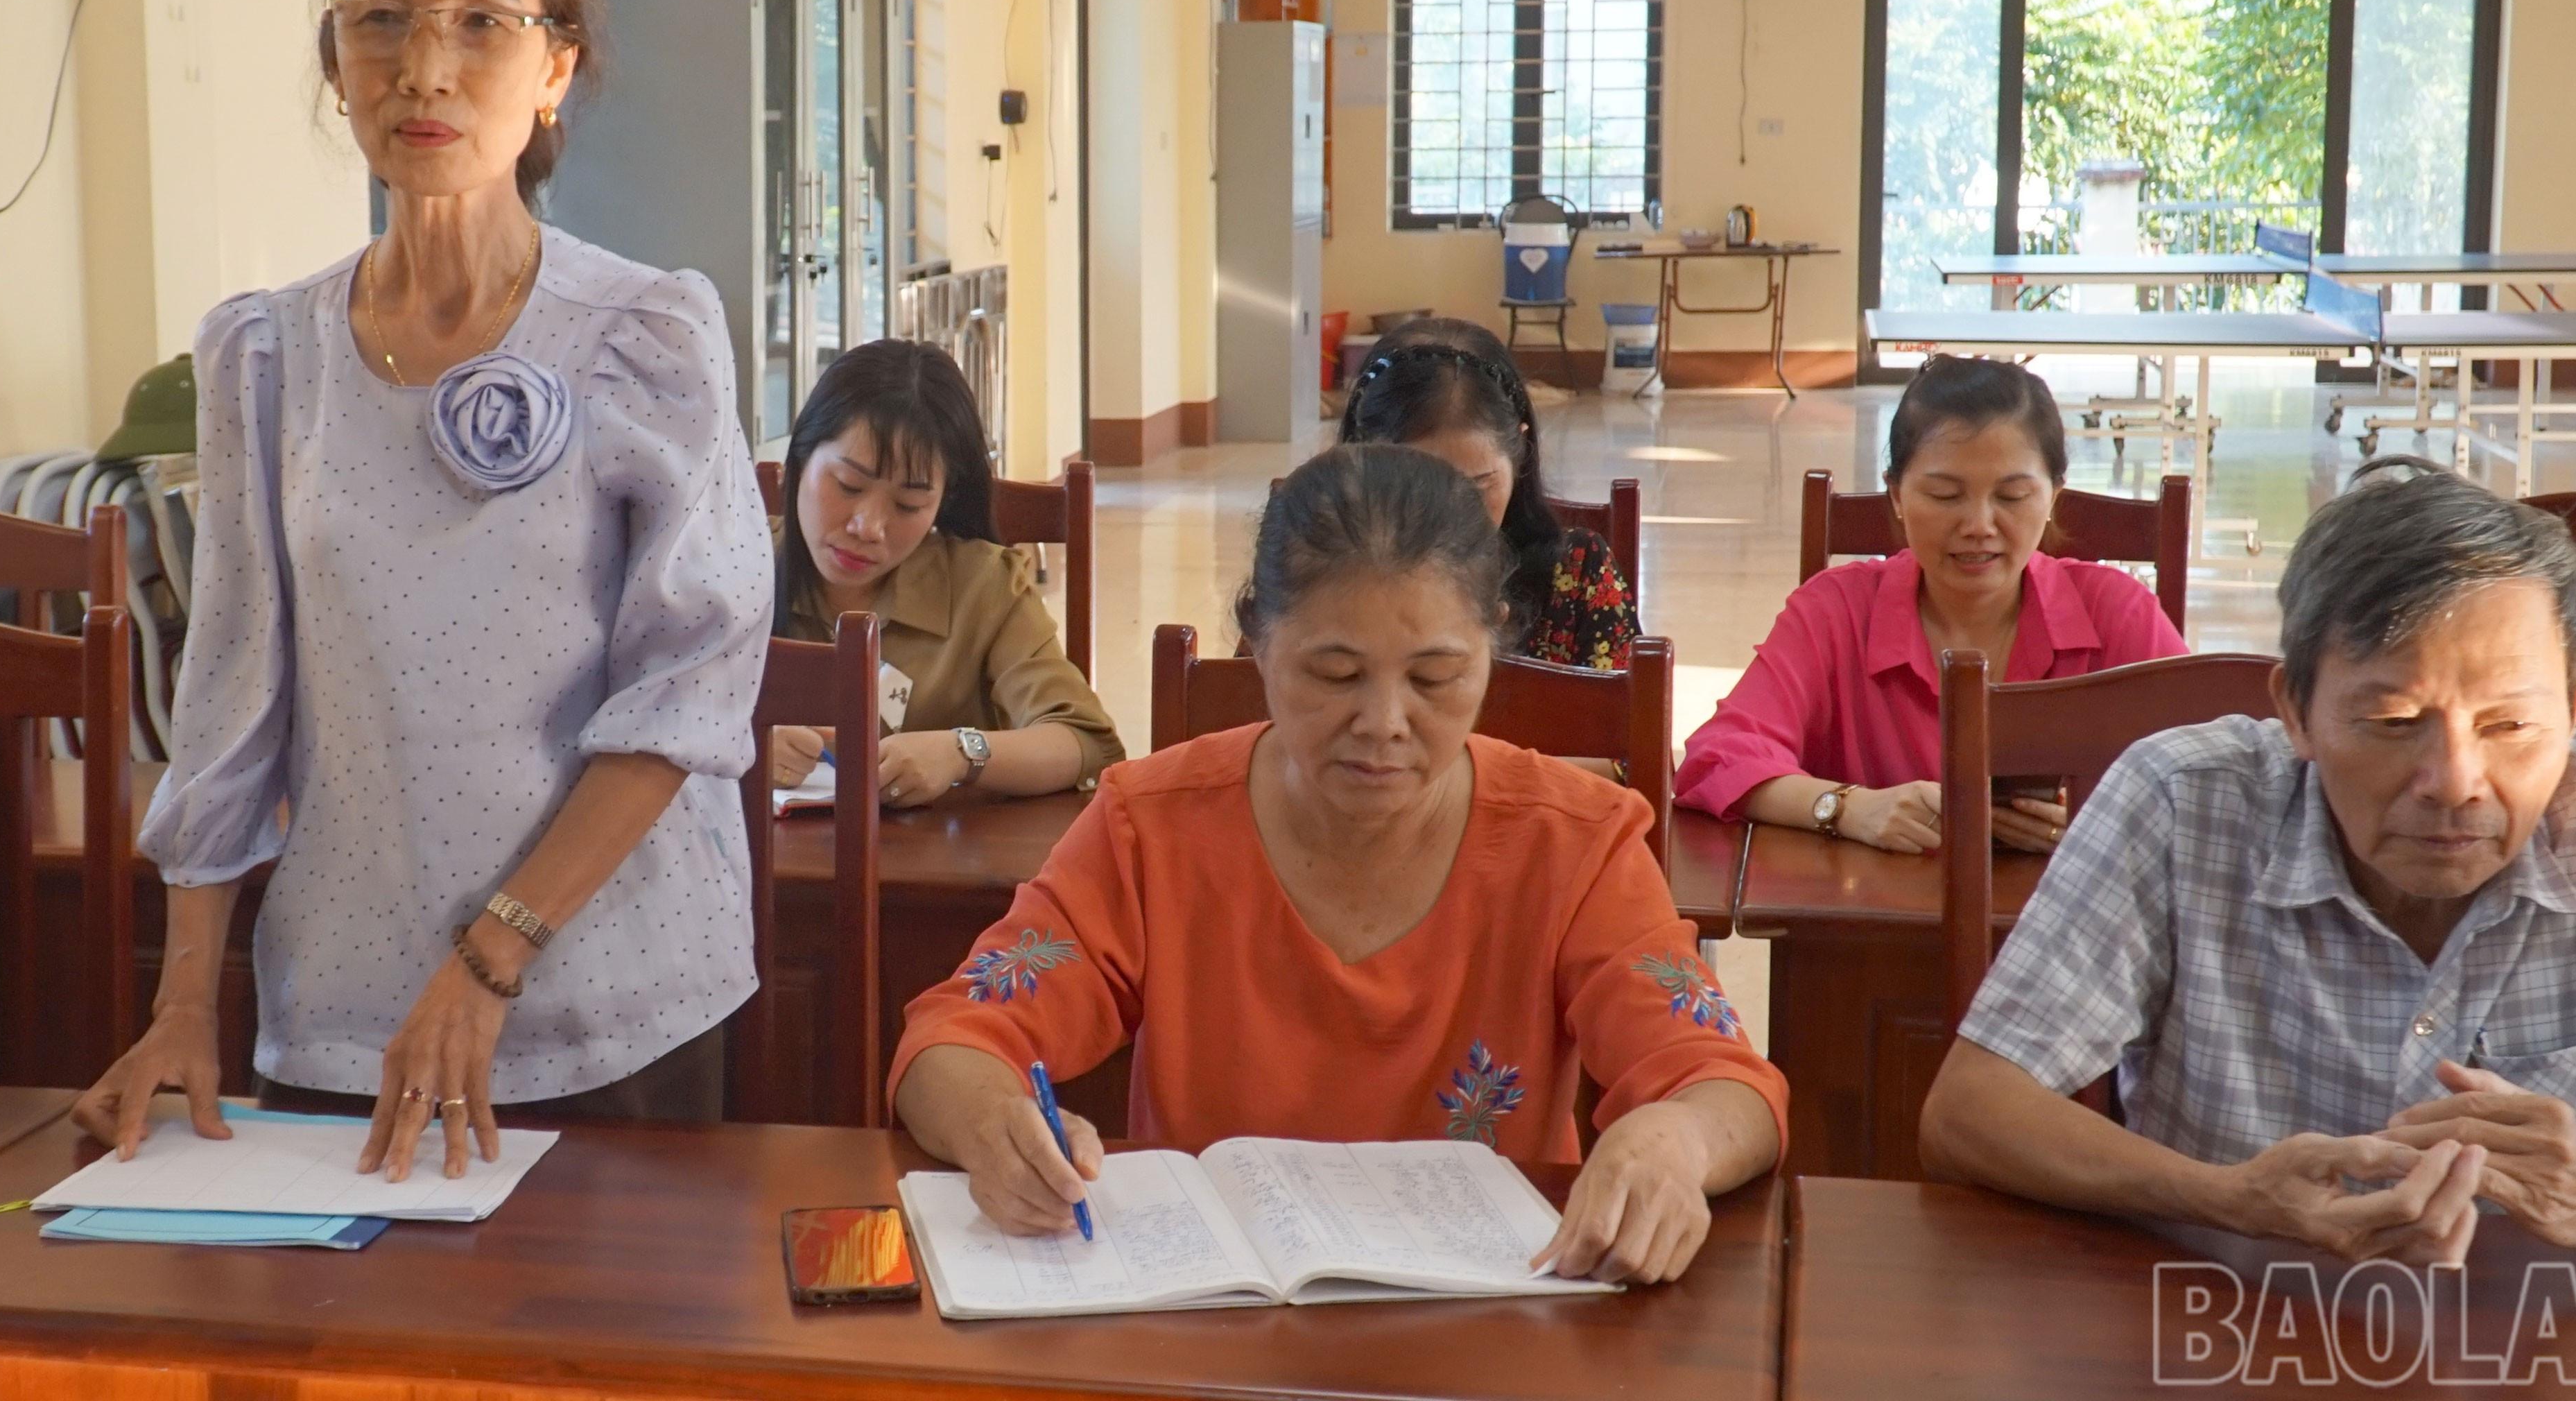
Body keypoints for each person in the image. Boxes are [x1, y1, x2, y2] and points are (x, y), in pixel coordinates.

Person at [76, 0, 770, 1183]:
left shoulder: (645, 331)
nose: (423, 67)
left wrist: (493, 955)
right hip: (351, 1004)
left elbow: (689, 687)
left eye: (479, 20)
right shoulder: (266, 355)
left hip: (609, 994)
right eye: (378, 17)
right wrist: (180, 1009)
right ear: (336, 60)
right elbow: (228, 697)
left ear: (555, 67)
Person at [1924, 458, 2576, 1263]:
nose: (2455, 780)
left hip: (2544, 1355)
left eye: (2511, 725)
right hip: (2223, 1336)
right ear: (2294, 710)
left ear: (2573, 709)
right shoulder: (2182, 800)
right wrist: (2230, 1199)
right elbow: (1971, 1112)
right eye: (2394, 722)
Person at [889, 442, 1784, 1284]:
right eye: (1334, 673)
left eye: (1435, 679)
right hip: (1216, 1326)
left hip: (1486, 1328)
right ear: (1260, 644)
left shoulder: (1573, 844)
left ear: (1493, 648)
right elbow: (952, 1039)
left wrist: (1677, 1140)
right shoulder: (1149, 828)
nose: (1385, 723)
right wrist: (993, 1128)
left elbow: (1726, 1082)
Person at [1676, 355, 2183, 853]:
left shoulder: (2117, 612)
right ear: (1895, 494)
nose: (1979, 525)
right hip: (1871, 923)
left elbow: (2219, 775)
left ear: (2054, 496)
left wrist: (2105, 819)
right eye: (1944, 496)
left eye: (2012, 497)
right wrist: (1847, 808)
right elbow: (1717, 758)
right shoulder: (1836, 612)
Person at [766, 339, 1122, 806]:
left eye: (908, 505)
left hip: (937, 868)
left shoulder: (984, 586)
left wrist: (963, 753)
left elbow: (1088, 742)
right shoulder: (734, 562)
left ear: (941, 503)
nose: (868, 528)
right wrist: (731, 738)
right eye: (849, 486)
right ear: (801, 459)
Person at [1334, 316, 1637, 669]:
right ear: (1359, 460)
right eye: (1414, 490)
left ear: (1519, 449)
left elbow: (1627, 716)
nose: (1448, 519)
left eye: (1477, 487)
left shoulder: (1576, 575)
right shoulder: (1311, 570)